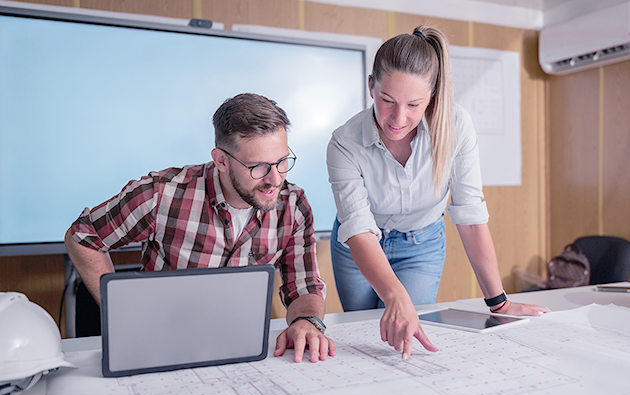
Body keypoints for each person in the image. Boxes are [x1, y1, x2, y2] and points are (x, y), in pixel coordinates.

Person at [326, 26, 550, 359]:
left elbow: (470, 216)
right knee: (364, 334)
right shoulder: (344, 142)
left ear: (431, 97)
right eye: (387, 101)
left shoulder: (456, 126)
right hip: (358, 246)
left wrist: (499, 303)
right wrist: (394, 295)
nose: (399, 118)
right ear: (371, 85)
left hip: (422, 245)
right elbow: (359, 228)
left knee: (405, 334)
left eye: (414, 104)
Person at [65, 93, 335, 363]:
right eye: (258, 167)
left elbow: (304, 286)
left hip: (241, 348)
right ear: (221, 160)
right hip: (163, 347)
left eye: (282, 161)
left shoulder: (293, 205)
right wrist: (123, 316)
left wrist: (306, 321)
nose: (275, 179)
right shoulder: (161, 194)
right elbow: (82, 236)